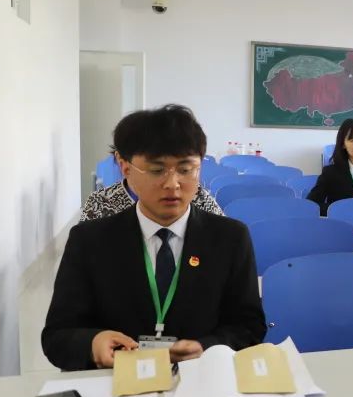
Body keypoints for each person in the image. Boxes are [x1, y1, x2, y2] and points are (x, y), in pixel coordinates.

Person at [42, 105, 265, 371]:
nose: (172, 184)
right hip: (116, 381)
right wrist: (92, 343)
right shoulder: (89, 241)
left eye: (186, 169)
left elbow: (248, 326)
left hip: (201, 379)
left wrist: (206, 347)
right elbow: (58, 335)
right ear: (125, 168)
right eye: (157, 170)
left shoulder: (230, 238)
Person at [82, 136, 222, 222]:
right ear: (124, 164)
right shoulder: (101, 203)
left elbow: (224, 242)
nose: (171, 182)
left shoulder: (198, 197)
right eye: (156, 169)